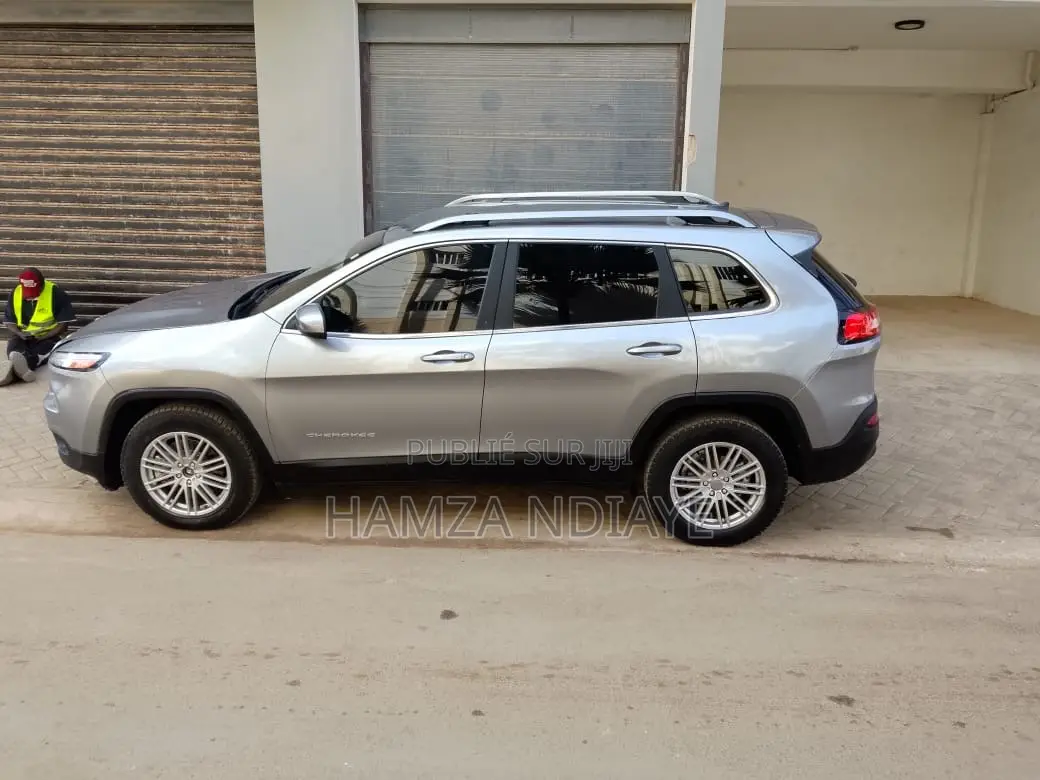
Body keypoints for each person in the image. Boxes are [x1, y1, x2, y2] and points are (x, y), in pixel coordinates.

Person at [1, 268, 77, 386]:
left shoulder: (56, 293)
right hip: (23, 335)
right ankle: (19, 370)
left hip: (49, 337)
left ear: (41, 285)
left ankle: (12, 375)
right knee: (14, 350)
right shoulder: (15, 292)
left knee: (38, 354)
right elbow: (9, 321)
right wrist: (20, 333)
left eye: (33, 291)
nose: (30, 296)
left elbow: (63, 325)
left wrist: (43, 337)